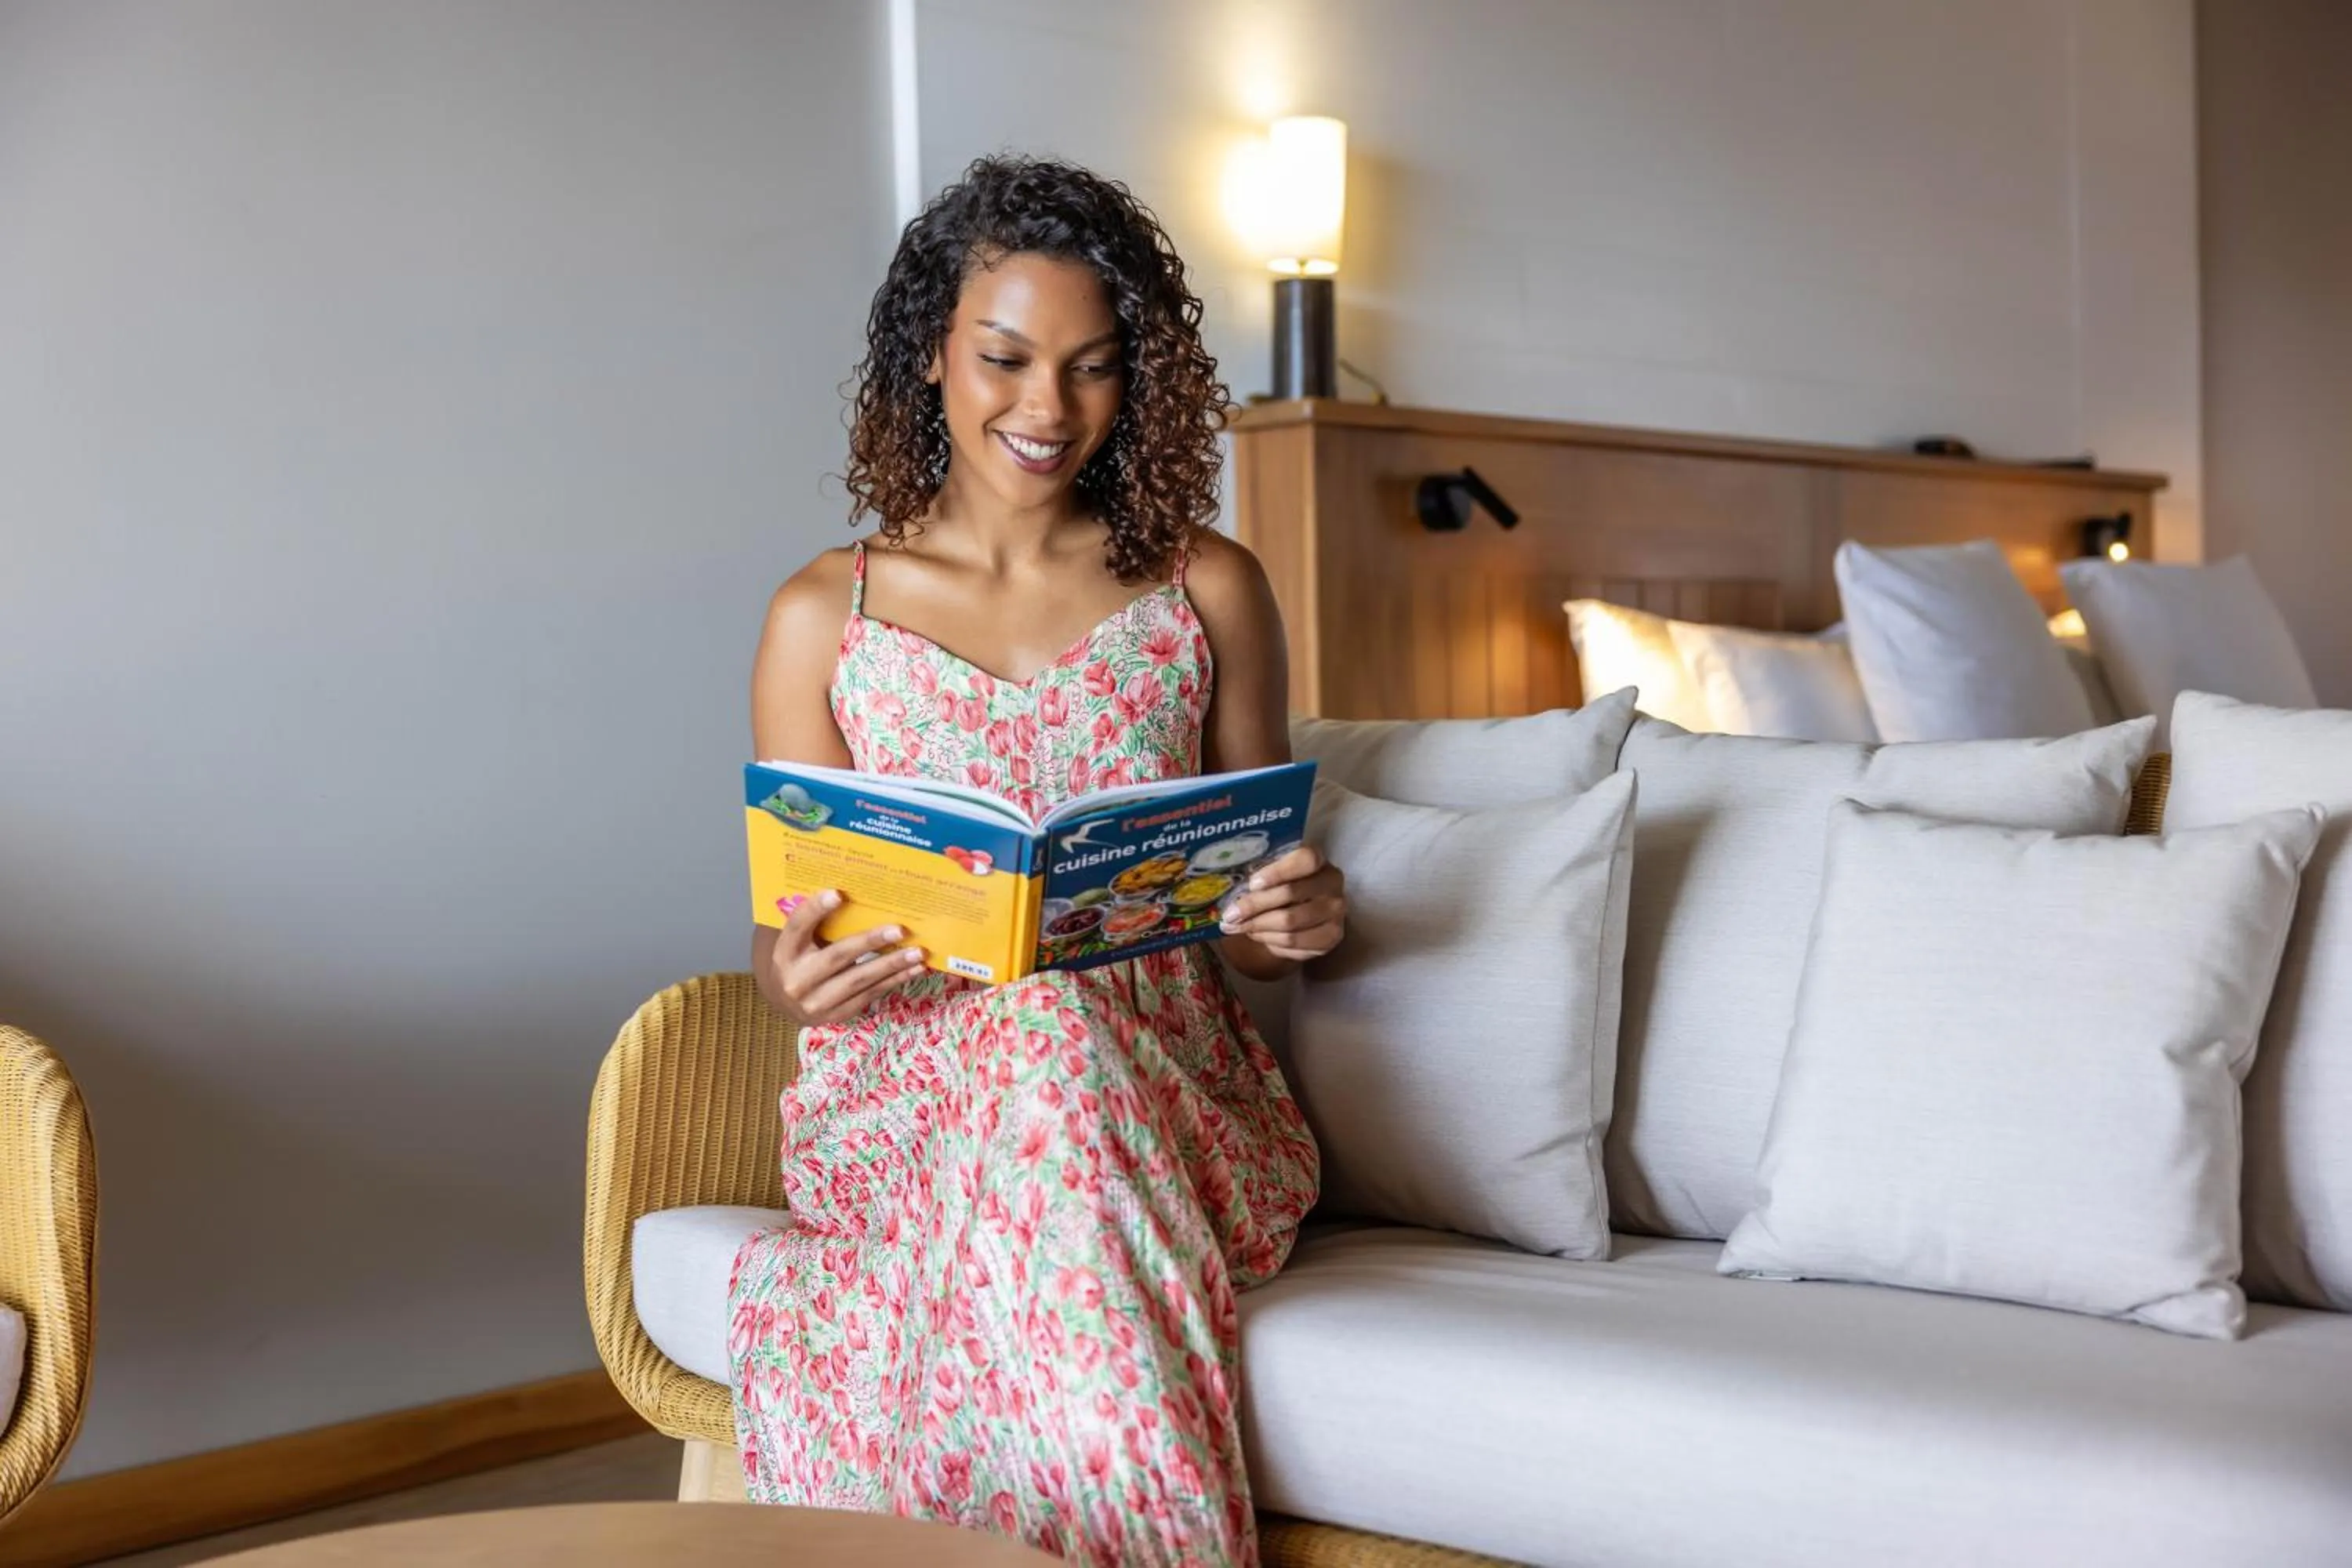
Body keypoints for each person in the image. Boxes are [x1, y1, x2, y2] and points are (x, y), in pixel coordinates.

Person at [728, 154, 1346, 1567]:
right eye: (1005, 358)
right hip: (904, 1105)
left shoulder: (1207, 587)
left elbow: (1252, 921)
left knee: (1057, 1035)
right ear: (930, 355)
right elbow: (782, 942)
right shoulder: (825, 616)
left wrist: (1289, 917)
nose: (1047, 409)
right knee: (1040, 1041)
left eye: (1093, 366)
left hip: (1165, 1090)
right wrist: (795, 977)